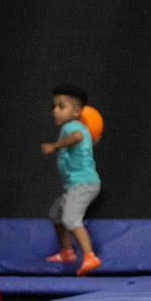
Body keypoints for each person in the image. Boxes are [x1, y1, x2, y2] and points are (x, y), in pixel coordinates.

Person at [41, 84, 101, 276]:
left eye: (61, 106)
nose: (55, 111)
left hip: (83, 183)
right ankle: (66, 252)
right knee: (56, 214)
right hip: (74, 185)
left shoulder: (73, 127)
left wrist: (55, 145)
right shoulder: (75, 127)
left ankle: (90, 256)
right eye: (54, 106)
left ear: (76, 112)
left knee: (70, 218)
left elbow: (75, 137)